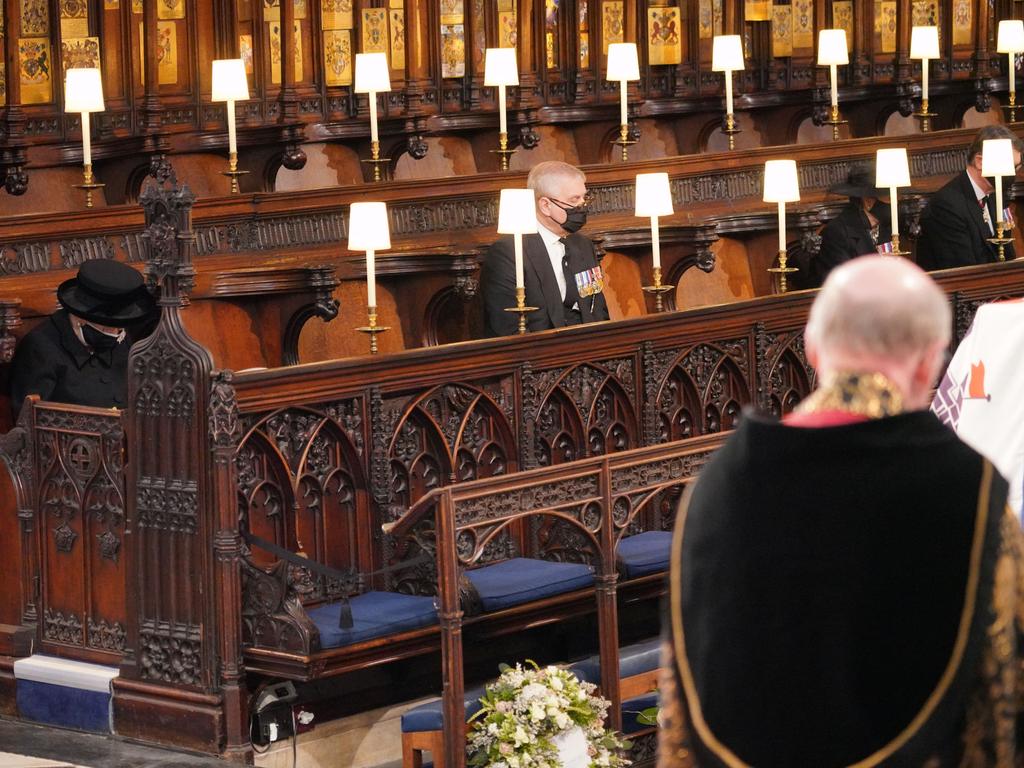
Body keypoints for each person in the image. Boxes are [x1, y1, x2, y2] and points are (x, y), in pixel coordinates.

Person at [658, 257, 1024, 767]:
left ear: (812, 348)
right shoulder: (969, 488)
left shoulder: (717, 486)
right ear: (929, 361)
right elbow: (1002, 694)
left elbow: (682, 703)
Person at [8, 259, 155, 419]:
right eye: (108, 326)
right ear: (82, 317)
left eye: (120, 327)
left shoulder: (122, 336)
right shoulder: (40, 348)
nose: (116, 333)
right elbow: (30, 422)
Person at [480, 160, 609, 337]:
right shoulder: (508, 252)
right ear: (546, 205)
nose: (582, 206)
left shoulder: (583, 244)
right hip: (539, 352)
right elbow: (505, 324)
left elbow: (597, 306)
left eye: (584, 198)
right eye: (574, 199)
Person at [916, 124, 1022, 270]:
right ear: (980, 162)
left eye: (1016, 167)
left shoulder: (995, 195)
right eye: (1009, 166)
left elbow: (1007, 254)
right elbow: (962, 269)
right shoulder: (946, 206)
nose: (1013, 174)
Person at [809, 162, 892, 286]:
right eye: (888, 197)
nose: (893, 203)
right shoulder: (837, 232)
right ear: (868, 201)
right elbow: (845, 282)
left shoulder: (887, 227)